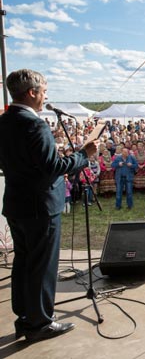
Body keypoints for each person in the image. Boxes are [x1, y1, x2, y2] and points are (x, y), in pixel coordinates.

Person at [0, 68, 97, 341]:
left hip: (17, 204)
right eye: (44, 91)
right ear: (32, 93)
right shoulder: (34, 124)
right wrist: (83, 156)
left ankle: (24, 317)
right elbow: (51, 167)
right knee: (42, 266)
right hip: (41, 207)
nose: (45, 96)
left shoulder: (4, 121)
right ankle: (40, 322)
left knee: (23, 263)